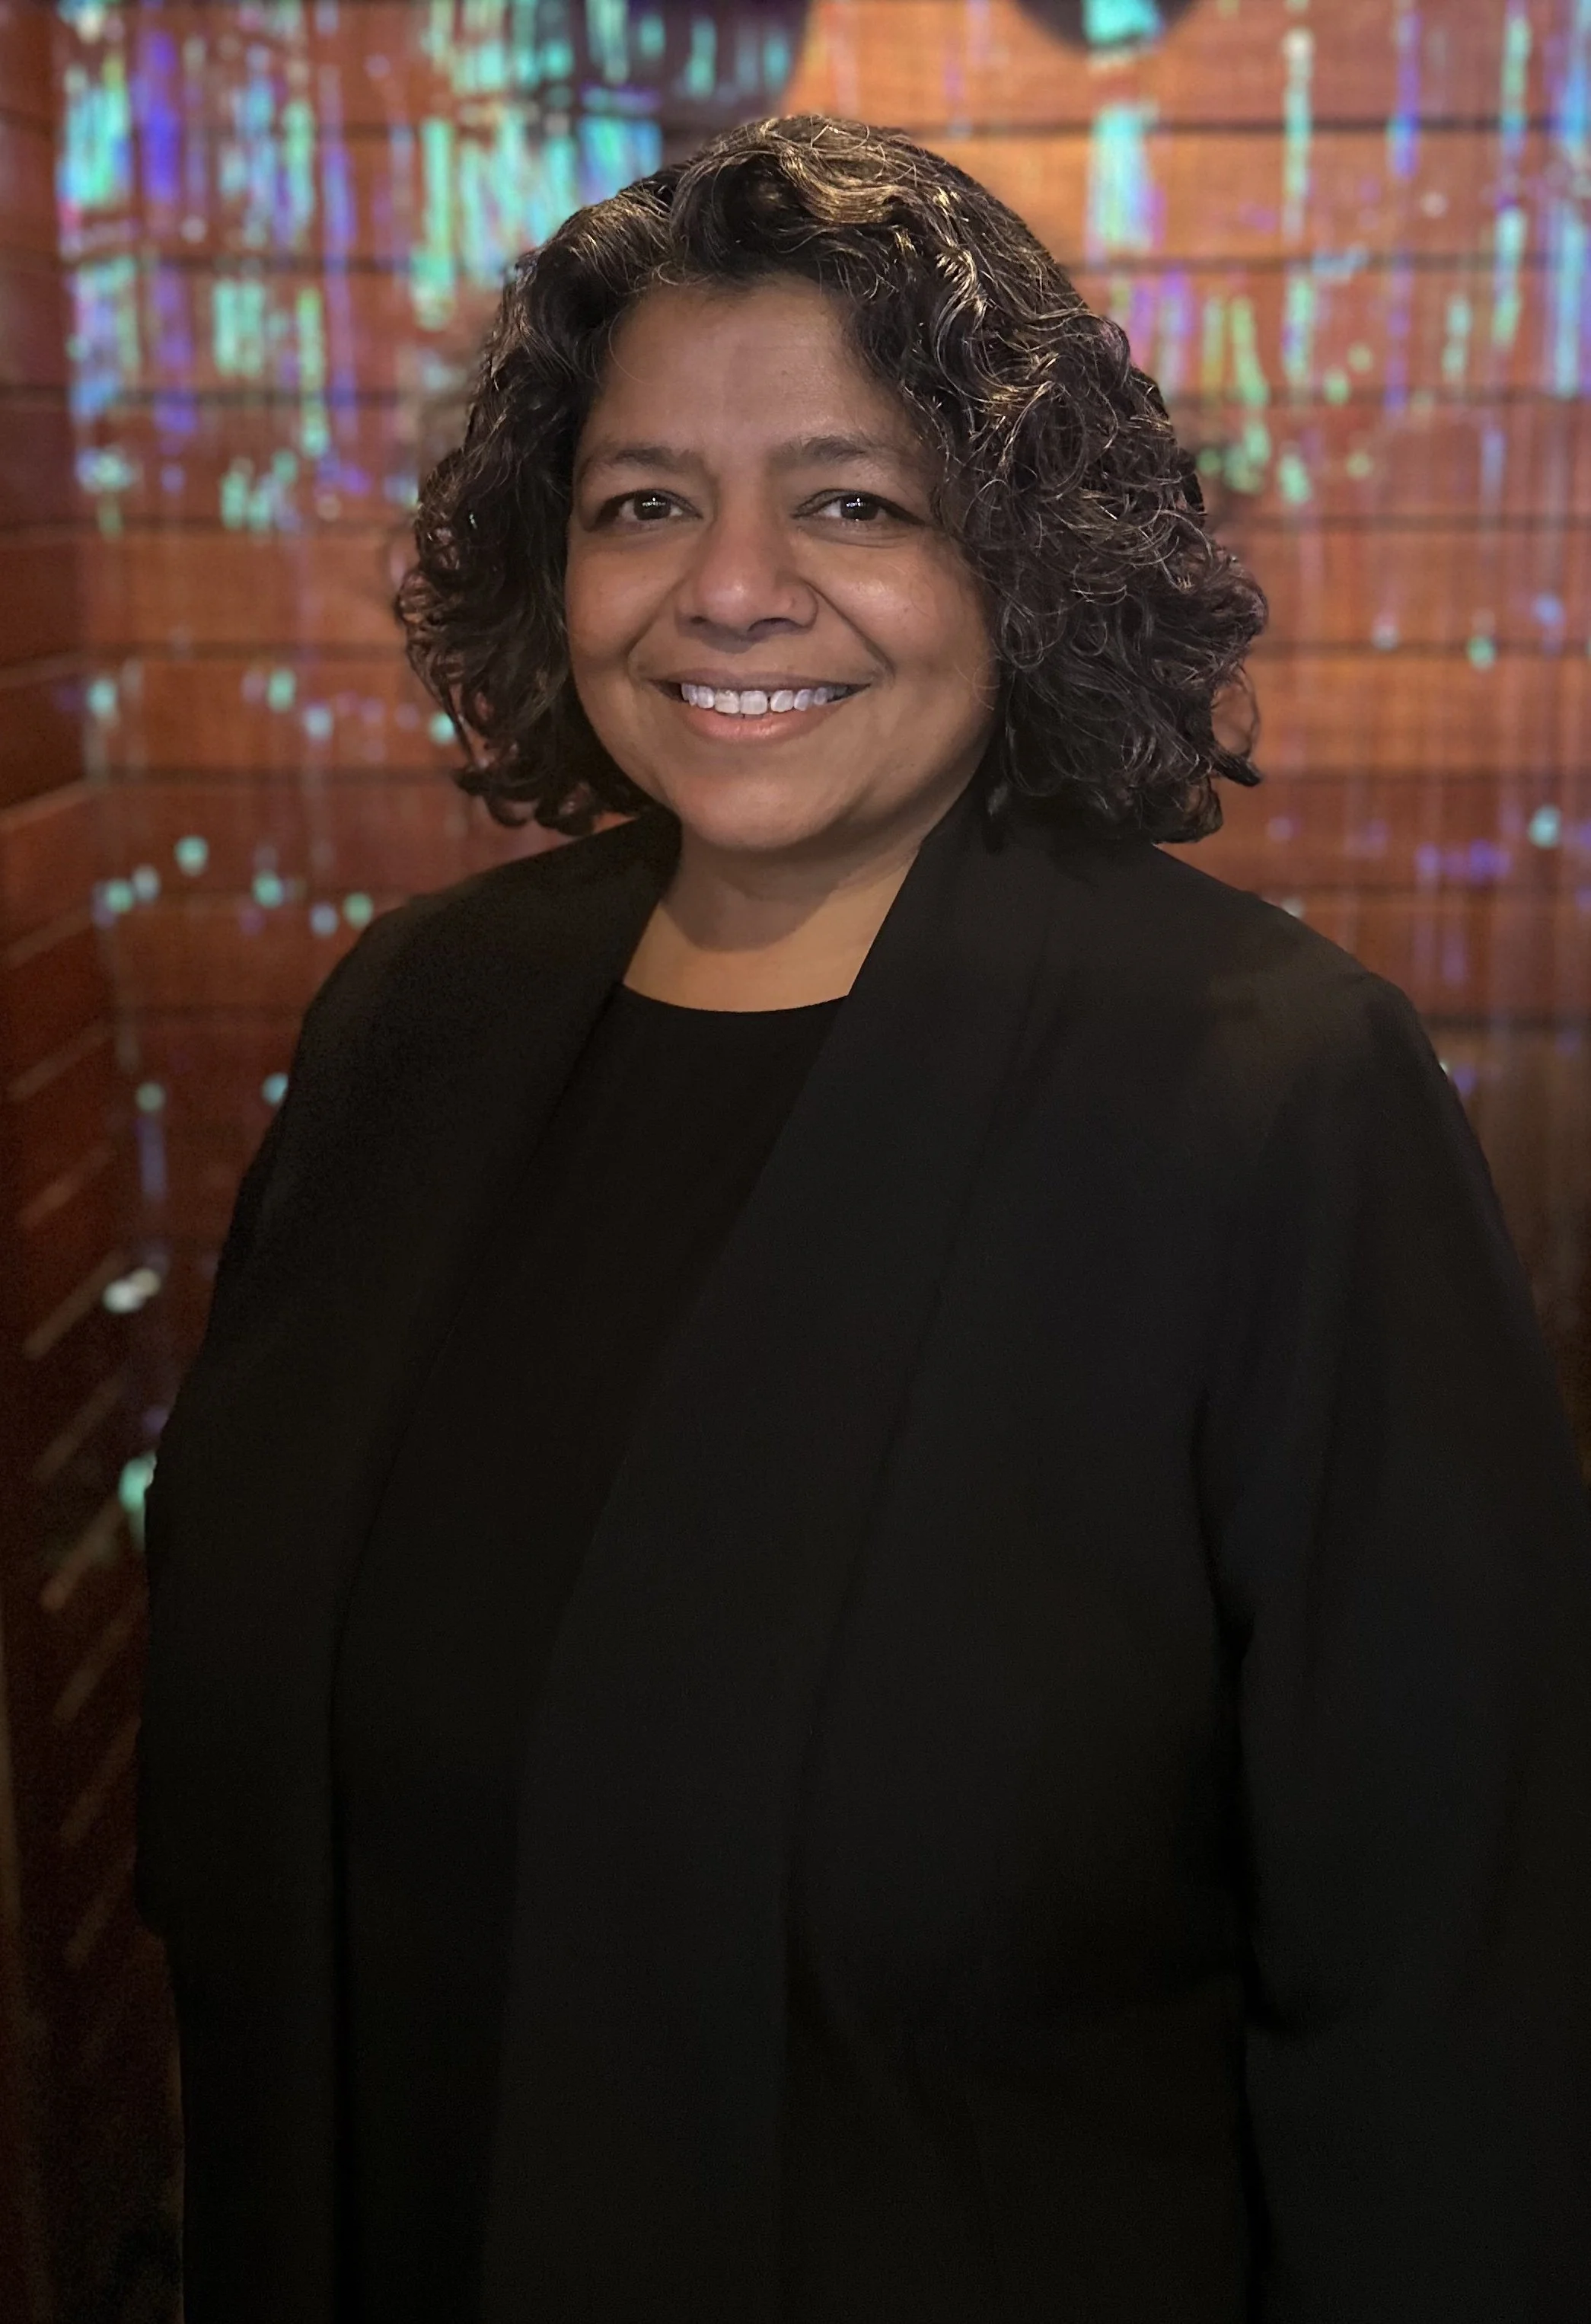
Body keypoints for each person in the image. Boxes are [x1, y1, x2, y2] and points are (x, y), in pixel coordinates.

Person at [136, 113, 1591, 2324]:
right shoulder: (411, 1027)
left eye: (850, 501)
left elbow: (1453, 1986)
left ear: (1018, 550)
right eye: (646, 504)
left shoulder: (1271, 1092)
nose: (730, 586)